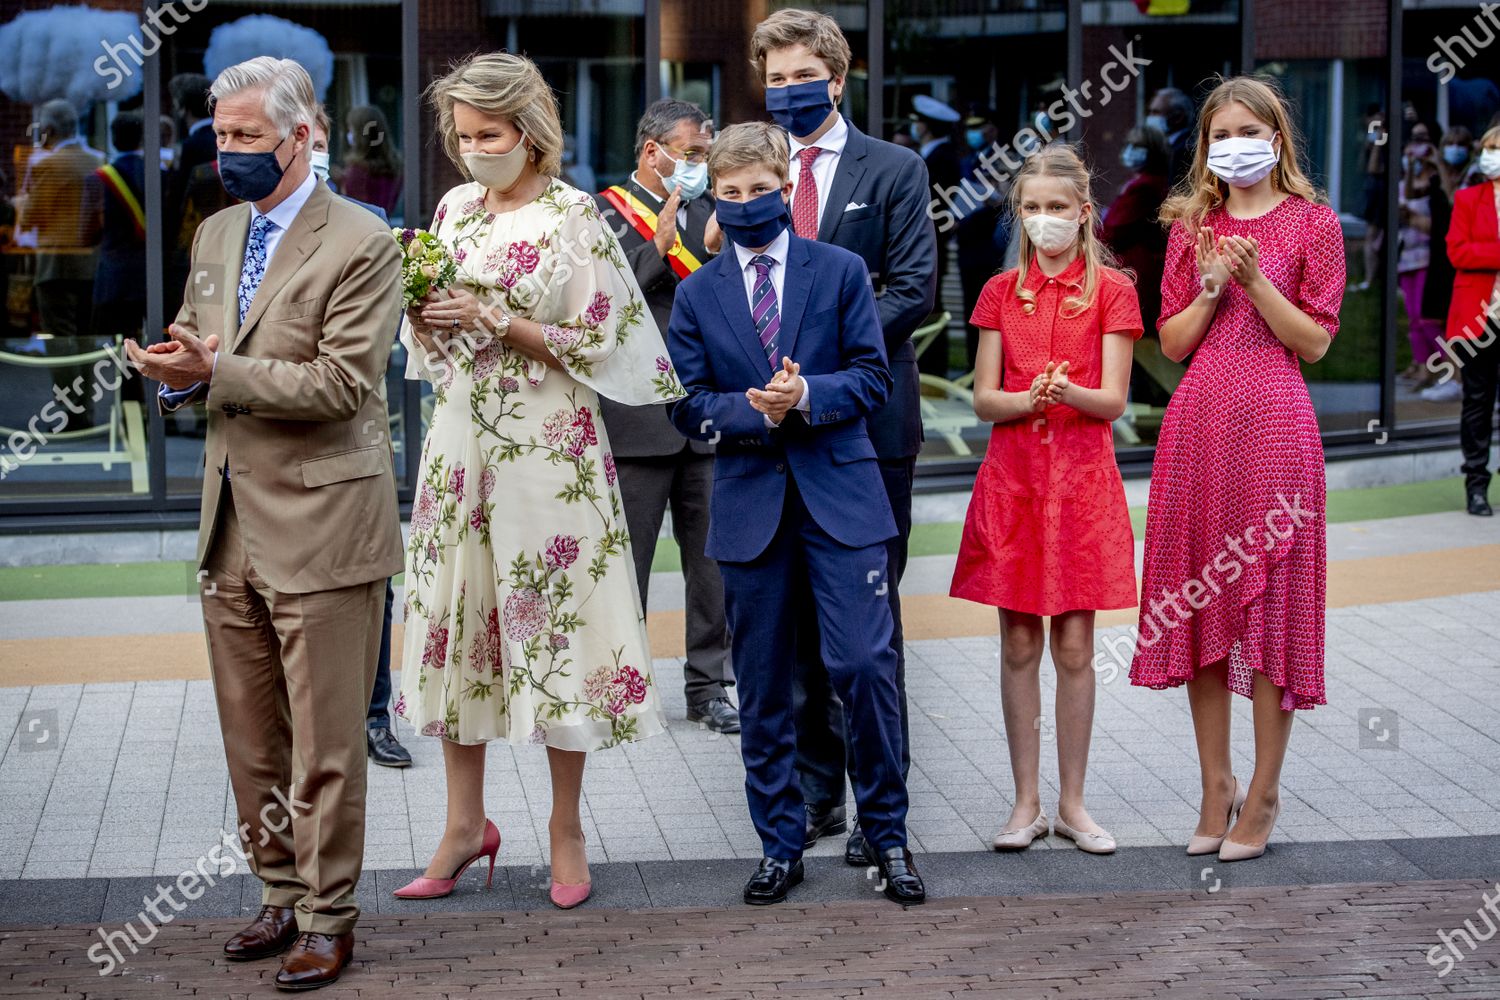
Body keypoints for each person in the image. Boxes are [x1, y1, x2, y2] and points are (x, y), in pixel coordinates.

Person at [124, 56, 403, 990]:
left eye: (249, 135)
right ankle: (278, 895)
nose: (230, 150)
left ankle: (330, 917)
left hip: (326, 524)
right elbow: (204, 343)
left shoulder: (363, 240)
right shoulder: (216, 231)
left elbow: (342, 384)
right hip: (229, 524)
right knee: (254, 742)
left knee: (327, 744)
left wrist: (214, 374)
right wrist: (174, 375)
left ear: (303, 135)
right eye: (222, 135)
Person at [394, 52, 680, 912]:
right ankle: (462, 824)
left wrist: (498, 319)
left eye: (488, 135)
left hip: (546, 445)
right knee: (460, 624)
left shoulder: (572, 215)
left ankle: (565, 827)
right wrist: (425, 311)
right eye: (463, 136)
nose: (473, 149)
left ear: (530, 133)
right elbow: (431, 350)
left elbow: (605, 341)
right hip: (459, 444)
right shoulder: (450, 209)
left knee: (553, 619)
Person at [666, 120, 923, 907]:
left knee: (863, 667)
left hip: (843, 500)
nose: (746, 203)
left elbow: (873, 378)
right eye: (730, 193)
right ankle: (780, 843)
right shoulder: (697, 292)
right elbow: (685, 404)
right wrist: (753, 413)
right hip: (750, 509)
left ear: (787, 185)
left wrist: (809, 394)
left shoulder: (840, 270)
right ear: (715, 194)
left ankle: (886, 834)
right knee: (766, 685)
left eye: (759, 189)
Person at [1129, 76, 1345, 863]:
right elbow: (1175, 342)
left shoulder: (1315, 225)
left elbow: (1315, 342)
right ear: (1205, 147)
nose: (1235, 143)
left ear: (1278, 138)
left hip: (1278, 428)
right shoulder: (1193, 228)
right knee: (1202, 607)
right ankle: (1214, 786)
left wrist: (1257, 279)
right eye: (1220, 133)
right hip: (1200, 427)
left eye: (1249, 129)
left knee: (1271, 608)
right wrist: (1217, 284)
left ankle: (1265, 791)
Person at [750, 7, 937, 868]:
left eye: (802, 75)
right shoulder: (752, 174)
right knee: (791, 628)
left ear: (839, 74)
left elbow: (916, 288)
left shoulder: (894, 168)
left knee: (866, 629)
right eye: (774, 78)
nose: (788, 91)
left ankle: (880, 804)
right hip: (768, 436)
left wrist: (815, 370)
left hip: (865, 424)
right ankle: (818, 789)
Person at [952, 143, 1141, 855]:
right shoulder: (1002, 292)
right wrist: (1024, 398)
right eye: (1031, 208)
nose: (1043, 220)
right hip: (1015, 483)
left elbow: (1115, 400)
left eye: (1056, 208)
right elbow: (982, 399)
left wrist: (1068, 392)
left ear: (1084, 213)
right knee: (1019, 640)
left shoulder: (1114, 291)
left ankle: (1075, 804)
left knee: (1075, 644)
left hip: (1083, 484)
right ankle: (1025, 802)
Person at [593, 98, 738, 734]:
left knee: (714, 566)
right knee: (630, 563)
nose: (699, 165)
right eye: (693, 153)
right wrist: (656, 247)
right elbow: (599, 304)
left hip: (706, 415)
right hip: (635, 419)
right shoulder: (600, 213)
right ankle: (624, 686)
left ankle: (710, 687)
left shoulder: (715, 211)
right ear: (653, 151)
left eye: (703, 154)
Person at [312, 107, 413, 769]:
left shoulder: (364, 227)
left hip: (351, 433)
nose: (311, 156)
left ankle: (375, 718)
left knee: (373, 586)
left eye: (317, 143)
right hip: (276, 444)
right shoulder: (240, 237)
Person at [16, 99, 102, 426]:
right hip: (91, 263)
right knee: (86, 339)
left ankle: (72, 412)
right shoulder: (98, 160)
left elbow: (30, 217)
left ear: (49, 129)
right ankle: (87, 410)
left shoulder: (47, 165)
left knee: (61, 342)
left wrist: (21, 199)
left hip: (55, 264)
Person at [1445, 125, 1500, 516]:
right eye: (1487, 148)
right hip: (1477, 320)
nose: (1488, 155)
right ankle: (1476, 486)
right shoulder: (1468, 198)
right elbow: (1458, 252)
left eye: (1495, 148)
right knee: (1478, 402)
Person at [1101, 125, 1171, 341]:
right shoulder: (1148, 182)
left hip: (1136, 267)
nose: (1130, 150)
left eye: (1137, 145)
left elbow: (1115, 229)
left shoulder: (1144, 186)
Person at [911, 93, 963, 378]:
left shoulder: (941, 157)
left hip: (931, 240)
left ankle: (933, 370)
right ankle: (930, 368)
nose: (914, 127)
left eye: (918, 122)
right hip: (929, 240)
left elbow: (935, 203)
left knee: (931, 301)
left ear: (927, 126)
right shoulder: (933, 153)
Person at [957, 113, 1010, 369]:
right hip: (969, 247)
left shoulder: (1006, 157)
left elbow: (1006, 203)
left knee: (993, 314)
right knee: (972, 310)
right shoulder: (968, 160)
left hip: (992, 248)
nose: (973, 133)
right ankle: (973, 367)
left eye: (979, 126)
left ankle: (992, 370)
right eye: (970, 128)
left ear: (992, 128)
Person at [92, 111, 148, 351]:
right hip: (151, 272)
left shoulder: (100, 178)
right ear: (142, 139)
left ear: (114, 140)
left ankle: (127, 388)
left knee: (122, 346)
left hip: (115, 274)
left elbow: (90, 230)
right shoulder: (163, 174)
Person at [1397, 123, 1444, 385]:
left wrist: (1411, 217)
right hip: (1407, 257)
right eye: (1412, 139)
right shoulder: (1405, 182)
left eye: (1423, 139)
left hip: (1429, 257)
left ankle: (1447, 368)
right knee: (1413, 318)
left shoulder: (1438, 183)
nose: (1416, 146)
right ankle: (1422, 364)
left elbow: (1436, 228)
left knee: (1427, 317)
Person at [339, 104, 401, 215]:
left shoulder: (356, 171)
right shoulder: (395, 167)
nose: (349, 134)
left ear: (360, 135)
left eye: (351, 130)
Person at [1146, 86, 1196, 190]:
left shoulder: (1186, 149)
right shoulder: (1167, 147)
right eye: (1149, 112)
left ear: (1178, 117)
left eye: (1156, 112)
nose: (1150, 117)